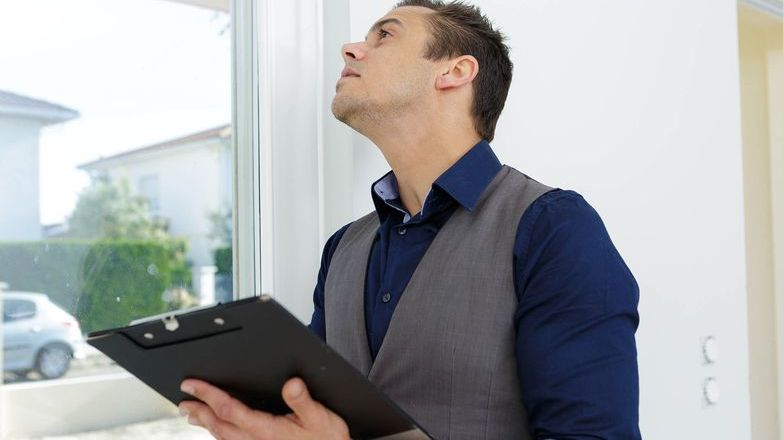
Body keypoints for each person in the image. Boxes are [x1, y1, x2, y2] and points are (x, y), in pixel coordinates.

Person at [178, 1, 641, 439]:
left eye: (384, 36)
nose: (352, 49)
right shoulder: (343, 249)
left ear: (455, 71)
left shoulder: (553, 228)